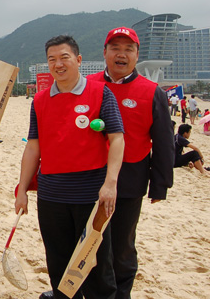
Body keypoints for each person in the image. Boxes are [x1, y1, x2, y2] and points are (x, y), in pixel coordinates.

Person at [15, 35, 124, 299]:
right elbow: (33, 147)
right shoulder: (40, 101)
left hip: (91, 194)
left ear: (78, 60)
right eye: (52, 59)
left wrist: (111, 183)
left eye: (64, 57)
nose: (58, 64)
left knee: (97, 266)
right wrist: (22, 190)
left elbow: (117, 138)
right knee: (59, 264)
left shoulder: (100, 92)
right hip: (52, 194)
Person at [84, 27, 174, 299]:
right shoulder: (87, 84)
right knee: (90, 241)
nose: (121, 55)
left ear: (136, 55)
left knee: (122, 244)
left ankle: (120, 294)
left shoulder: (152, 92)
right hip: (87, 174)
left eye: (128, 49)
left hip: (130, 176)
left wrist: (160, 186)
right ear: (104, 53)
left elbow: (164, 142)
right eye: (115, 48)